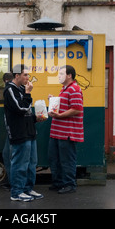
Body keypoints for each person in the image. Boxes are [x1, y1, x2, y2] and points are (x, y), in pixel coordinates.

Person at [3, 64, 43, 202]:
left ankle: (27, 188)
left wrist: (35, 118)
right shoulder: (10, 90)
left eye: (28, 75)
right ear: (17, 76)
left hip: (30, 131)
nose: (28, 77)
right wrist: (28, 94)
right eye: (25, 75)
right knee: (20, 163)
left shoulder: (21, 89)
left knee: (32, 163)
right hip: (19, 133)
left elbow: (26, 113)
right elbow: (21, 108)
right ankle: (16, 192)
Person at [48, 65, 84, 194]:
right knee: (55, 159)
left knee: (67, 160)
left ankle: (69, 184)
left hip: (67, 133)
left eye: (62, 73)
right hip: (57, 132)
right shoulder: (64, 89)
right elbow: (65, 106)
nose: (59, 76)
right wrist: (53, 101)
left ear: (69, 75)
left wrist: (60, 116)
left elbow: (76, 108)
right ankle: (58, 183)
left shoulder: (74, 89)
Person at [1, 72, 14, 189]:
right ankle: (12, 181)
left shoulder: (9, 89)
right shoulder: (14, 89)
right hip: (11, 128)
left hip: (12, 129)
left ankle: (13, 182)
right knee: (7, 154)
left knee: (9, 155)